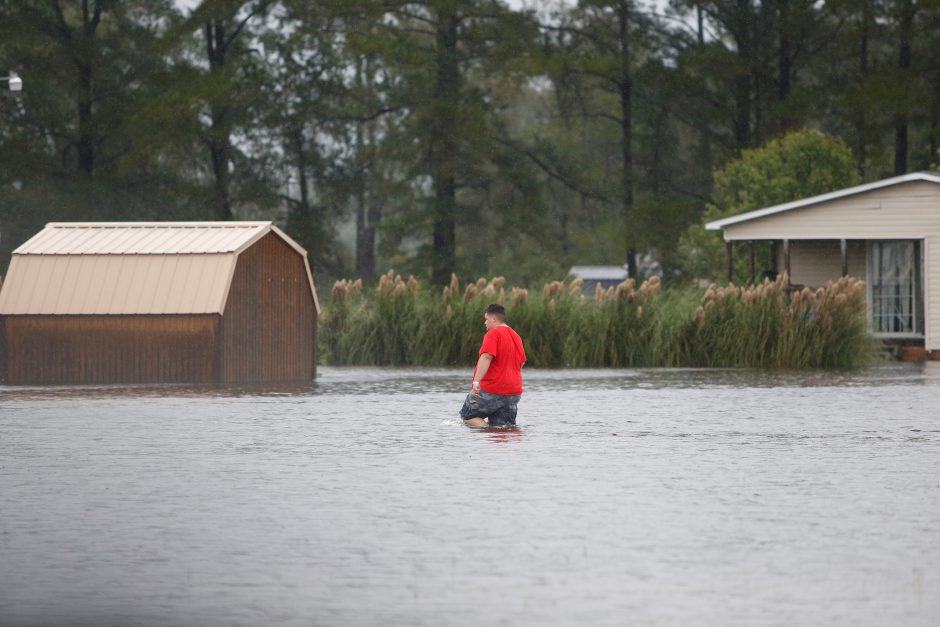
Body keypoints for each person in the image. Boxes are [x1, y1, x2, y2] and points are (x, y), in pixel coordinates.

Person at [460, 303, 526, 428]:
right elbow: (521, 362)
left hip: (492, 389)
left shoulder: (493, 333)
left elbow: (486, 357)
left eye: (486, 319)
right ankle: (496, 442)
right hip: (513, 391)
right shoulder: (516, 336)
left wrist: (476, 382)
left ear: (493, 319)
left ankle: (485, 430)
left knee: (468, 415)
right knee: (502, 427)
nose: (485, 323)